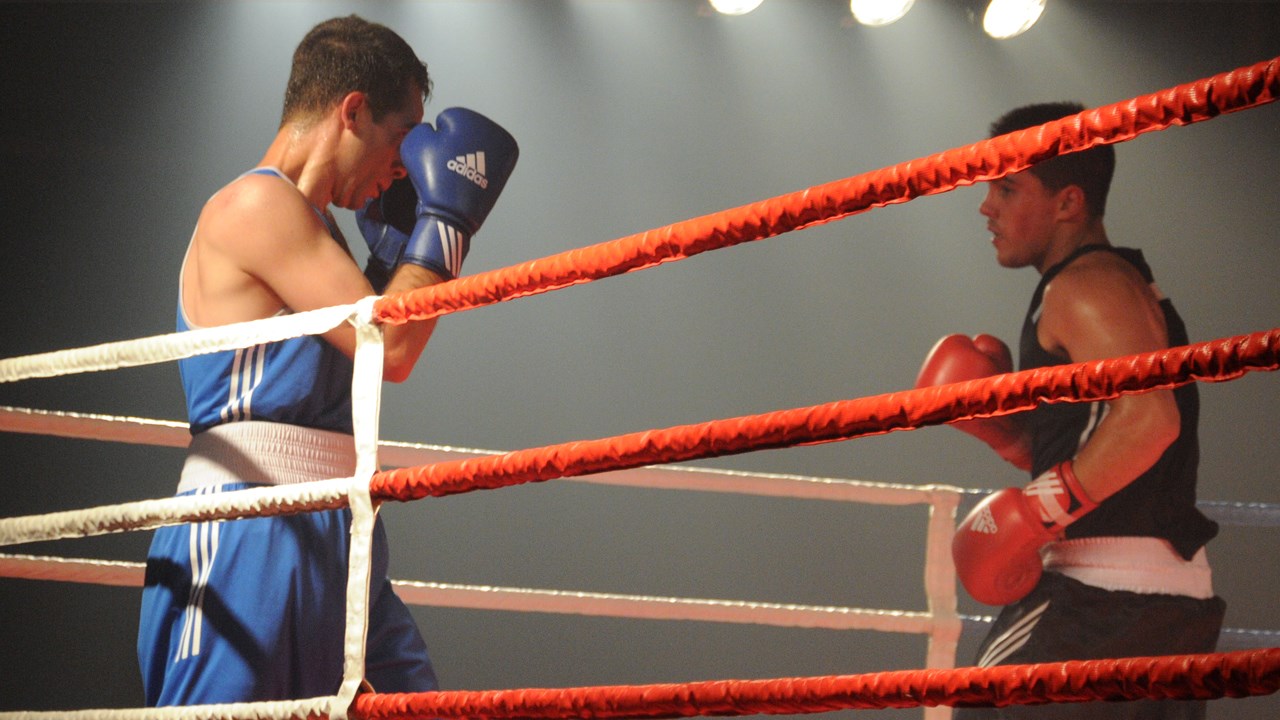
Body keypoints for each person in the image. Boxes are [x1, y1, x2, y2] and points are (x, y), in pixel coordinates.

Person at [136, 15, 518, 705]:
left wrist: (395, 258)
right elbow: (392, 347)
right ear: (353, 111)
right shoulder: (257, 204)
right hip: (250, 523)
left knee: (411, 707)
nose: (406, 166)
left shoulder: (322, 234)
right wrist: (445, 226)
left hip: (342, 524)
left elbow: (383, 347)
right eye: (403, 137)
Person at [917, 102, 1225, 719]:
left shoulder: (1084, 286)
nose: (986, 207)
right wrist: (1010, 437)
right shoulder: (1114, 282)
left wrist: (1034, 512)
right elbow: (1113, 441)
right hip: (1154, 604)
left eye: (1008, 189)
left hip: (1100, 598)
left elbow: (1150, 421)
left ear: (1068, 203)